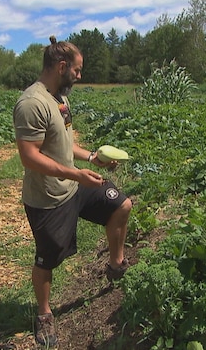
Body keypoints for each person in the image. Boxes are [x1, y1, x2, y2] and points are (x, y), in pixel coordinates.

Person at [12, 36, 132, 347]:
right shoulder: (32, 103)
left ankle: (116, 266)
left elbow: (65, 144)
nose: (79, 76)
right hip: (48, 199)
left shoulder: (60, 99)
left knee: (121, 204)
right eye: (77, 70)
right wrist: (76, 174)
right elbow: (30, 156)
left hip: (73, 184)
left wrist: (92, 158)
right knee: (46, 261)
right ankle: (43, 313)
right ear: (62, 67)